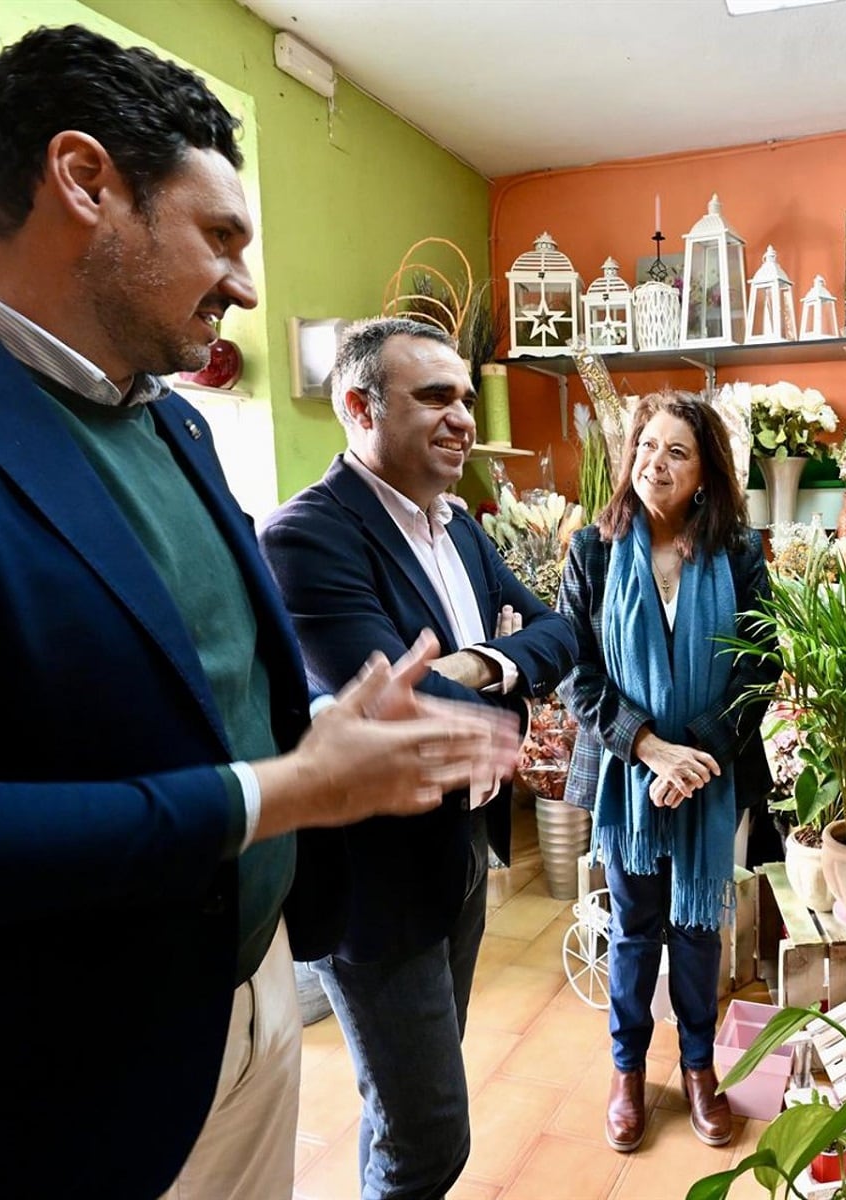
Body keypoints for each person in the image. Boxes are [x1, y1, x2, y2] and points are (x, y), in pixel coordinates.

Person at [0, 27, 519, 1200]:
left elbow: (183, 684)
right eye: (222, 236)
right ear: (85, 180)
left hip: (249, 985)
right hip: (65, 1067)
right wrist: (280, 791)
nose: (248, 285)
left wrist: (311, 725)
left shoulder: (174, 422)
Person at [258, 317, 577, 1199]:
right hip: (375, 884)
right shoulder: (308, 537)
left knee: (403, 1107)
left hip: (459, 857)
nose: (462, 417)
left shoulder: (462, 530)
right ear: (359, 407)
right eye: (434, 396)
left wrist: (479, 663)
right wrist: (496, 685)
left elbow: (561, 630)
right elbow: (399, 706)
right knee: (431, 1138)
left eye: (466, 397)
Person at [557, 391, 781, 1153]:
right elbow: (576, 673)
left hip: (710, 775)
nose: (657, 463)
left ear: (706, 473)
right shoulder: (591, 551)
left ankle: (696, 1069)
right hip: (627, 779)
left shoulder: (741, 556)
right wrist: (648, 748)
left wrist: (697, 758)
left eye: (677, 452)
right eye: (647, 447)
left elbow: (762, 664)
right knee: (632, 931)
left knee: (696, 932)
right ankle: (625, 1072)